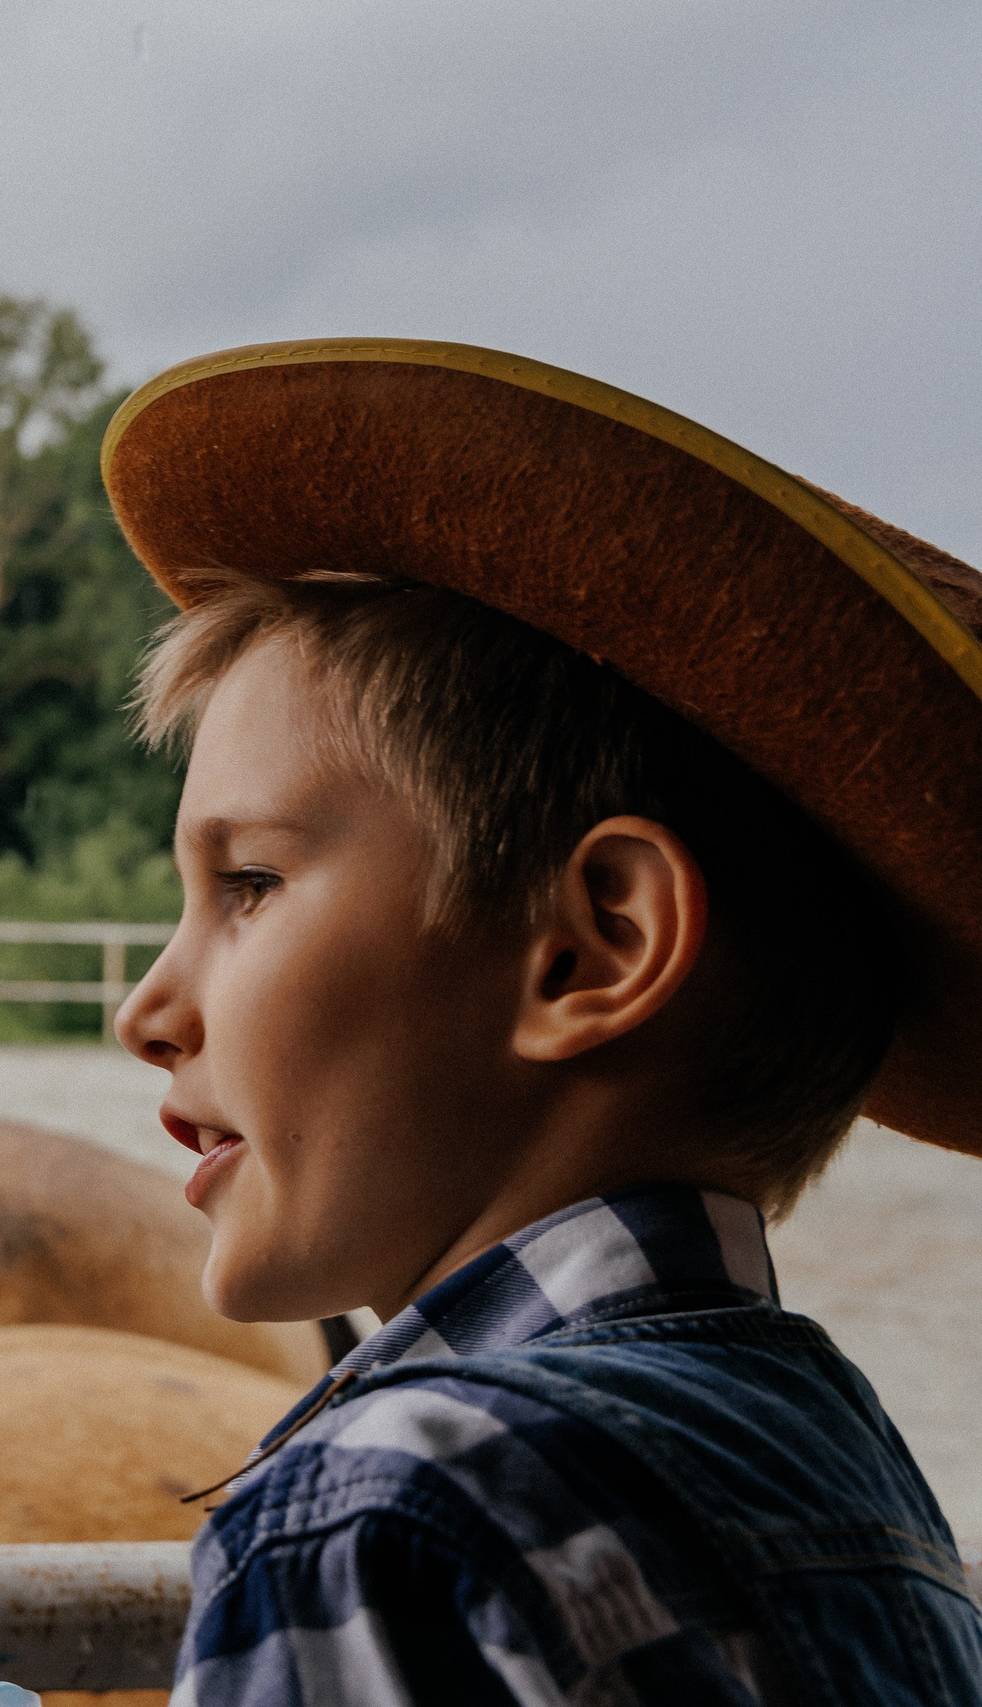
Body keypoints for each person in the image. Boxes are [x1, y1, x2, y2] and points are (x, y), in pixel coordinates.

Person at [94, 342, 982, 1703]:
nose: (146, 1010)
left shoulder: (384, 1518)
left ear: (593, 947)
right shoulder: (860, 1480)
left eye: (250, 883)